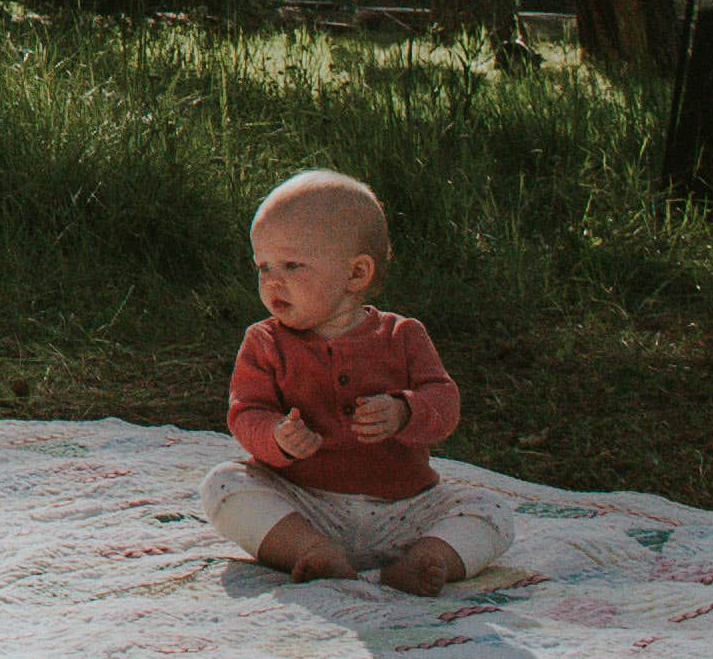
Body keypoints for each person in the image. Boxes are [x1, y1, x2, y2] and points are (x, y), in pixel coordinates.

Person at [194, 167, 512, 595]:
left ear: (356, 275)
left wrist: (404, 411)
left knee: (490, 509)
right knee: (224, 484)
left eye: (291, 264)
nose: (272, 281)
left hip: (405, 509)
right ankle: (312, 551)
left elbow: (444, 403)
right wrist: (277, 436)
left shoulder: (403, 336)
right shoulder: (265, 341)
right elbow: (246, 411)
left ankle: (427, 557)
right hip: (305, 504)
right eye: (263, 266)